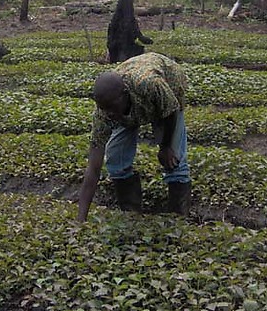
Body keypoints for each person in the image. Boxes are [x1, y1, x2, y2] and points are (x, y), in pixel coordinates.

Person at [77, 52, 191, 222]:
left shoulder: (150, 85)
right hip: (133, 101)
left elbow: (171, 110)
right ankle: (132, 215)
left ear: (125, 93)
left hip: (169, 85)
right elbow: (93, 169)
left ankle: (178, 219)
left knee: (174, 159)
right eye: (104, 108)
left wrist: (165, 146)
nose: (109, 113)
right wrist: (81, 219)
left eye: (112, 107)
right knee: (116, 160)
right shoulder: (105, 113)